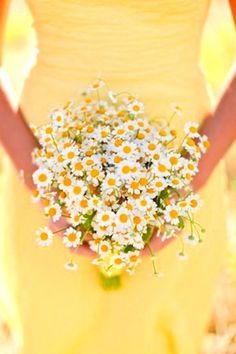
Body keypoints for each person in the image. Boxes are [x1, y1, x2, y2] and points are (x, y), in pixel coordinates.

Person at [0, 0, 235, 353]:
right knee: (54, 329)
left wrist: (188, 177)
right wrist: (41, 180)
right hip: (45, 161)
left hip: (183, 157)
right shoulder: (42, 178)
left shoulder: (186, 177)